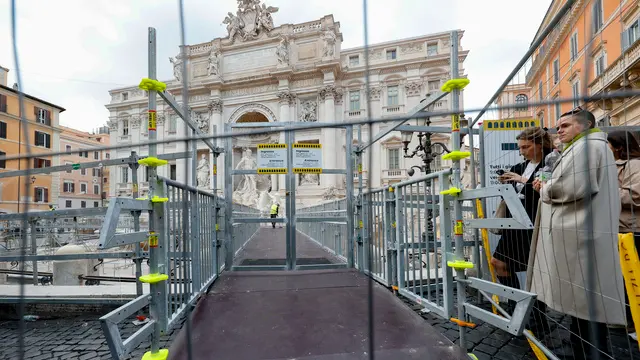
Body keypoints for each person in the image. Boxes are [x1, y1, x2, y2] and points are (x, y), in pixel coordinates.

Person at [529, 107, 624, 359]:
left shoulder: (589, 148)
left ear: (585, 125)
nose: (558, 130)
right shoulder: (584, 147)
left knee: (587, 308)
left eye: (566, 125)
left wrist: (545, 188)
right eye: (558, 126)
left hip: (582, 237)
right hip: (580, 233)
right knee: (582, 309)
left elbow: (571, 187)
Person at [491, 127, 554, 337]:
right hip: (515, 224)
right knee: (498, 263)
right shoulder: (520, 165)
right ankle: (516, 305)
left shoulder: (550, 162)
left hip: (536, 224)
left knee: (535, 273)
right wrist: (507, 183)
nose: (522, 151)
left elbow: (546, 190)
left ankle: (538, 319)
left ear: (540, 144)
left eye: (526, 147)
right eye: (520, 147)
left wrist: (521, 180)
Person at [606, 130, 640, 339]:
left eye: (608, 146)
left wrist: (603, 192)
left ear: (618, 147)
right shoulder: (612, 165)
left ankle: (632, 321)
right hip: (618, 227)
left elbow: (636, 194)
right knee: (619, 275)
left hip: (631, 229)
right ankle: (625, 318)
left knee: (631, 275)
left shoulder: (635, 165)